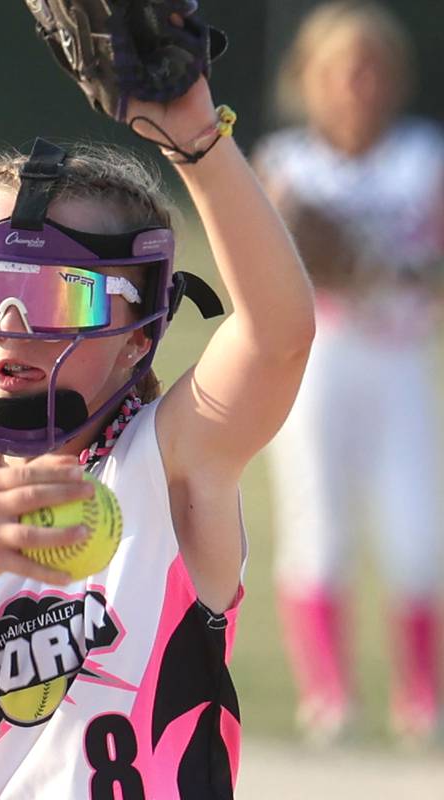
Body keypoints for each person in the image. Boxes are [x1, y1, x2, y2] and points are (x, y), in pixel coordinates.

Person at [0, 18, 315, 799]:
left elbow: (280, 337)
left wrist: (196, 137)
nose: (12, 325)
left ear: (137, 337)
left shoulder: (171, 468)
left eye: (58, 293)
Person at [253, 1, 444, 745]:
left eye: (371, 68)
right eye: (341, 68)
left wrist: (394, 269)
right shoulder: (287, 164)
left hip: (398, 358)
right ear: (311, 78)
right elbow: (274, 264)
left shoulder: (425, 157)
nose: (358, 83)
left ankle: (420, 697)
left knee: (417, 531)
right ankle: (328, 697)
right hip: (319, 361)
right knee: (317, 524)